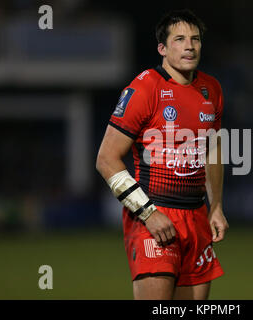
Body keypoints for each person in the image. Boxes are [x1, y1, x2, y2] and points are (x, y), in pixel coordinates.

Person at [96, 9, 228, 300]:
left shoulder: (212, 89)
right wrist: (148, 213)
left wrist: (216, 205)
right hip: (154, 217)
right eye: (179, 39)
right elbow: (106, 159)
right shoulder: (144, 89)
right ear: (163, 48)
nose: (189, 46)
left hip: (197, 219)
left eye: (195, 39)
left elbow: (212, 150)